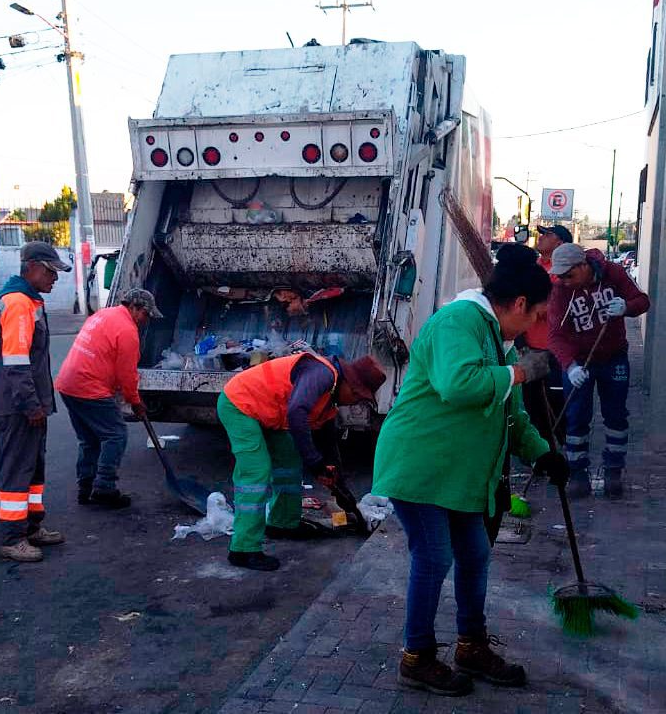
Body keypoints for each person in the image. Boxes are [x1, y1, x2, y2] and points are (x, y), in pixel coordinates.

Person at [371, 243, 568, 697]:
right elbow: (460, 385)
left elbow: (510, 413)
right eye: (538, 314)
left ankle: (470, 645)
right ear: (519, 304)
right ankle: (416, 657)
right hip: (421, 467)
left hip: (458, 476)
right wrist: (519, 373)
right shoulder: (458, 323)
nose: (538, 325)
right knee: (435, 556)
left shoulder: (495, 338)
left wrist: (541, 453)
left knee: (475, 554)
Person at [217, 352, 387, 572]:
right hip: (240, 404)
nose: (355, 402)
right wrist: (314, 462)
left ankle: (282, 523)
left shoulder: (331, 399)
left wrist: (338, 483)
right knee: (255, 472)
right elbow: (297, 412)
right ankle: (243, 549)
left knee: (289, 462)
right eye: (358, 396)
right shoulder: (322, 375)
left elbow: (329, 443)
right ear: (350, 385)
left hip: (268, 412)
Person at [0, 240, 72, 562]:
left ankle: (32, 527)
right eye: (50, 272)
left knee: (33, 468)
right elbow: (17, 363)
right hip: (17, 406)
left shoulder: (29, 301)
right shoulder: (19, 303)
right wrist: (31, 405)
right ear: (31, 267)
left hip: (27, 404)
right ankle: (12, 537)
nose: (55, 279)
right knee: (17, 470)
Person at [547, 242, 651, 499]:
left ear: (583, 266)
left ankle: (614, 470)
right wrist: (570, 366)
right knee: (576, 415)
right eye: (560, 276)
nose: (564, 280)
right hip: (579, 361)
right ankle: (577, 473)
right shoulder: (560, 291)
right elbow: (556, 335)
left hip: (614, 356)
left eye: (568, 275)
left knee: (615, 414)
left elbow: (642, 301)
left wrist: (626, 307)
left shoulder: (612, 273)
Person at [56, 288, 163, 509]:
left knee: (90, 439)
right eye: (145, 314)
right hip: (89, 387)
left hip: (68, 383)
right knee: (115, 435)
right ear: (133, 307)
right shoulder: (127, 331)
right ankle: (104, 487)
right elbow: (127, 374)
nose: (146, 320)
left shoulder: (104, 315)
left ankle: (85, 487)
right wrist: (135, 402)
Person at [520, 224, 573, 447]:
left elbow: (560, 309)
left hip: (554, 350)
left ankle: (566, 446)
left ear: (560, 243)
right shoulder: (533, 269)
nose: (540, 237)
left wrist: (538, 308)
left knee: (556, 402)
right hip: (531, 348)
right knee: (533, 404)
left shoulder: (564, 273)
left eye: (547, 235)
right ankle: (543, 450)